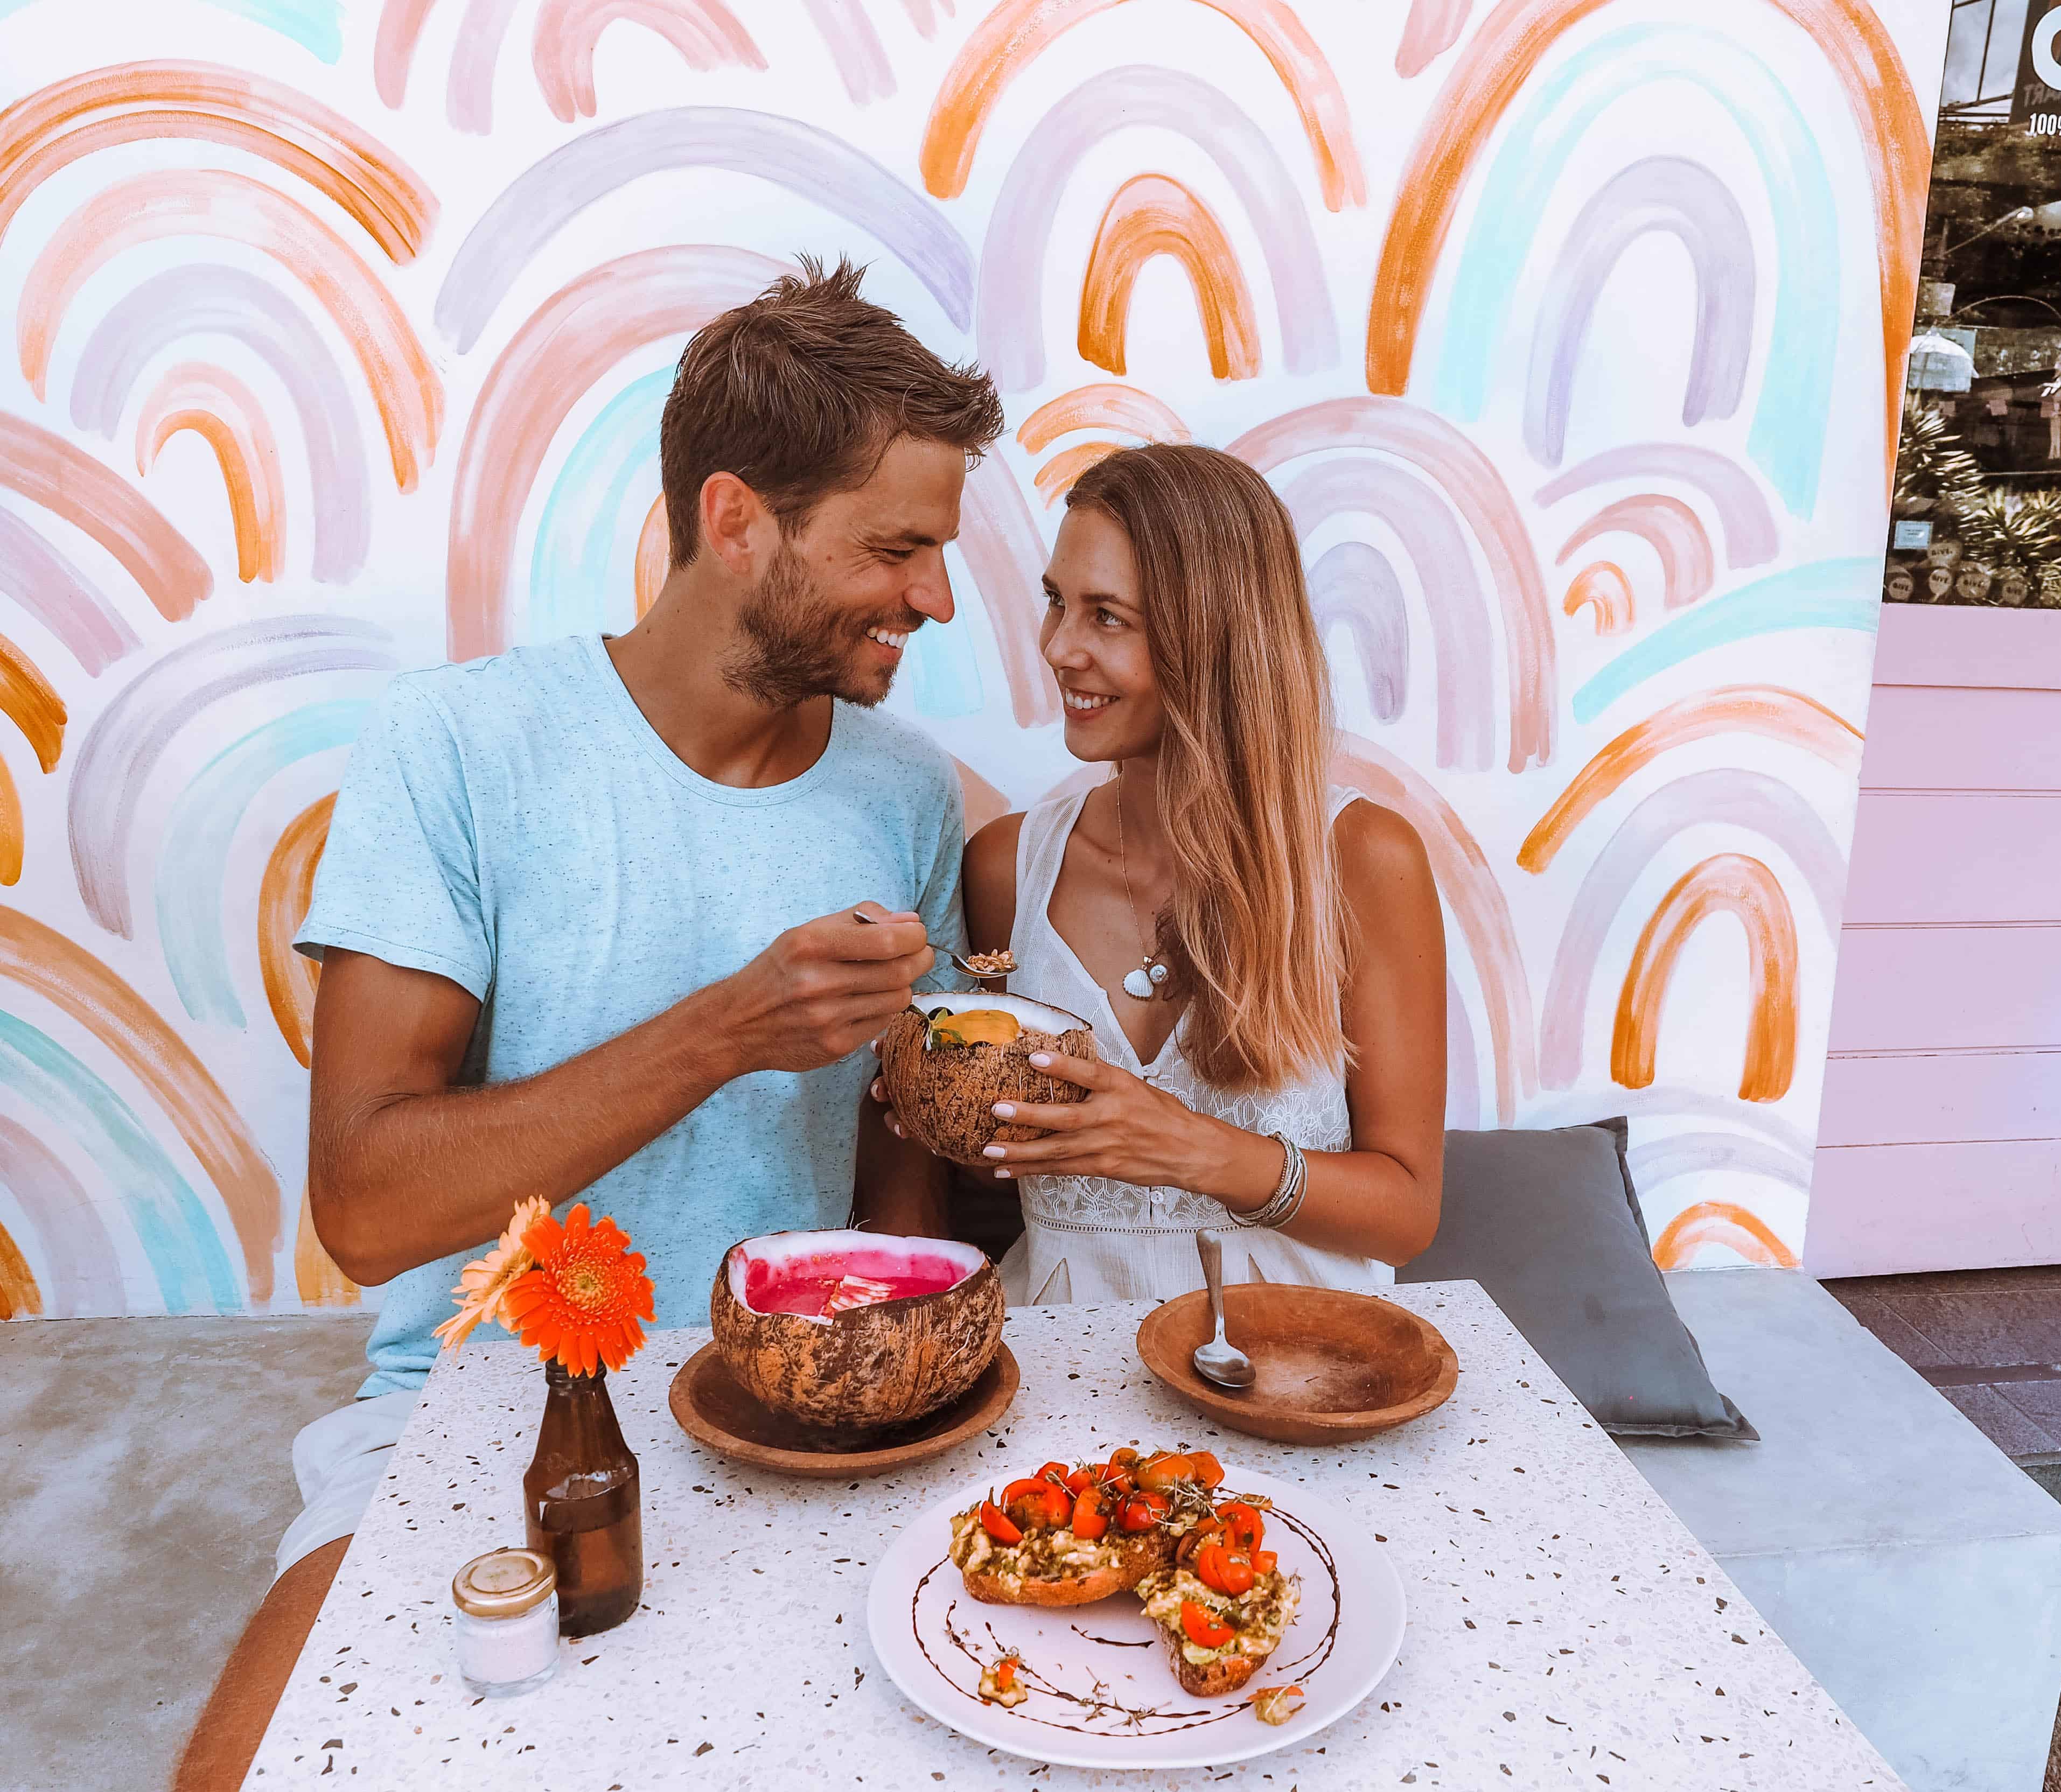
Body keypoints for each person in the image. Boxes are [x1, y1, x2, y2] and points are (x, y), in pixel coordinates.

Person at [279, 258, 1003, 1576]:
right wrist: (726, 1029)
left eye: (938, 551)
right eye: (895, 548)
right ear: (736, 522)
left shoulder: (904, 791)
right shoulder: (457, 743)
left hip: (803, 1408)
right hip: (488, 1402)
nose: (935, 598)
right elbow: (367, 1208)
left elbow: (901, 1166)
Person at [895, 443, 1445, 1303]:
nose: (1060, 649)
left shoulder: (1361, 860)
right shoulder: (1008, 867)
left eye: (1107, 617)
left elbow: (1407, 1211)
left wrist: (1192, 1149)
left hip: (1296, 1369)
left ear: (1214, 640)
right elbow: (988, 1166)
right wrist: (945, 1111)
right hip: (1060, 1370)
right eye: (1056, 603)